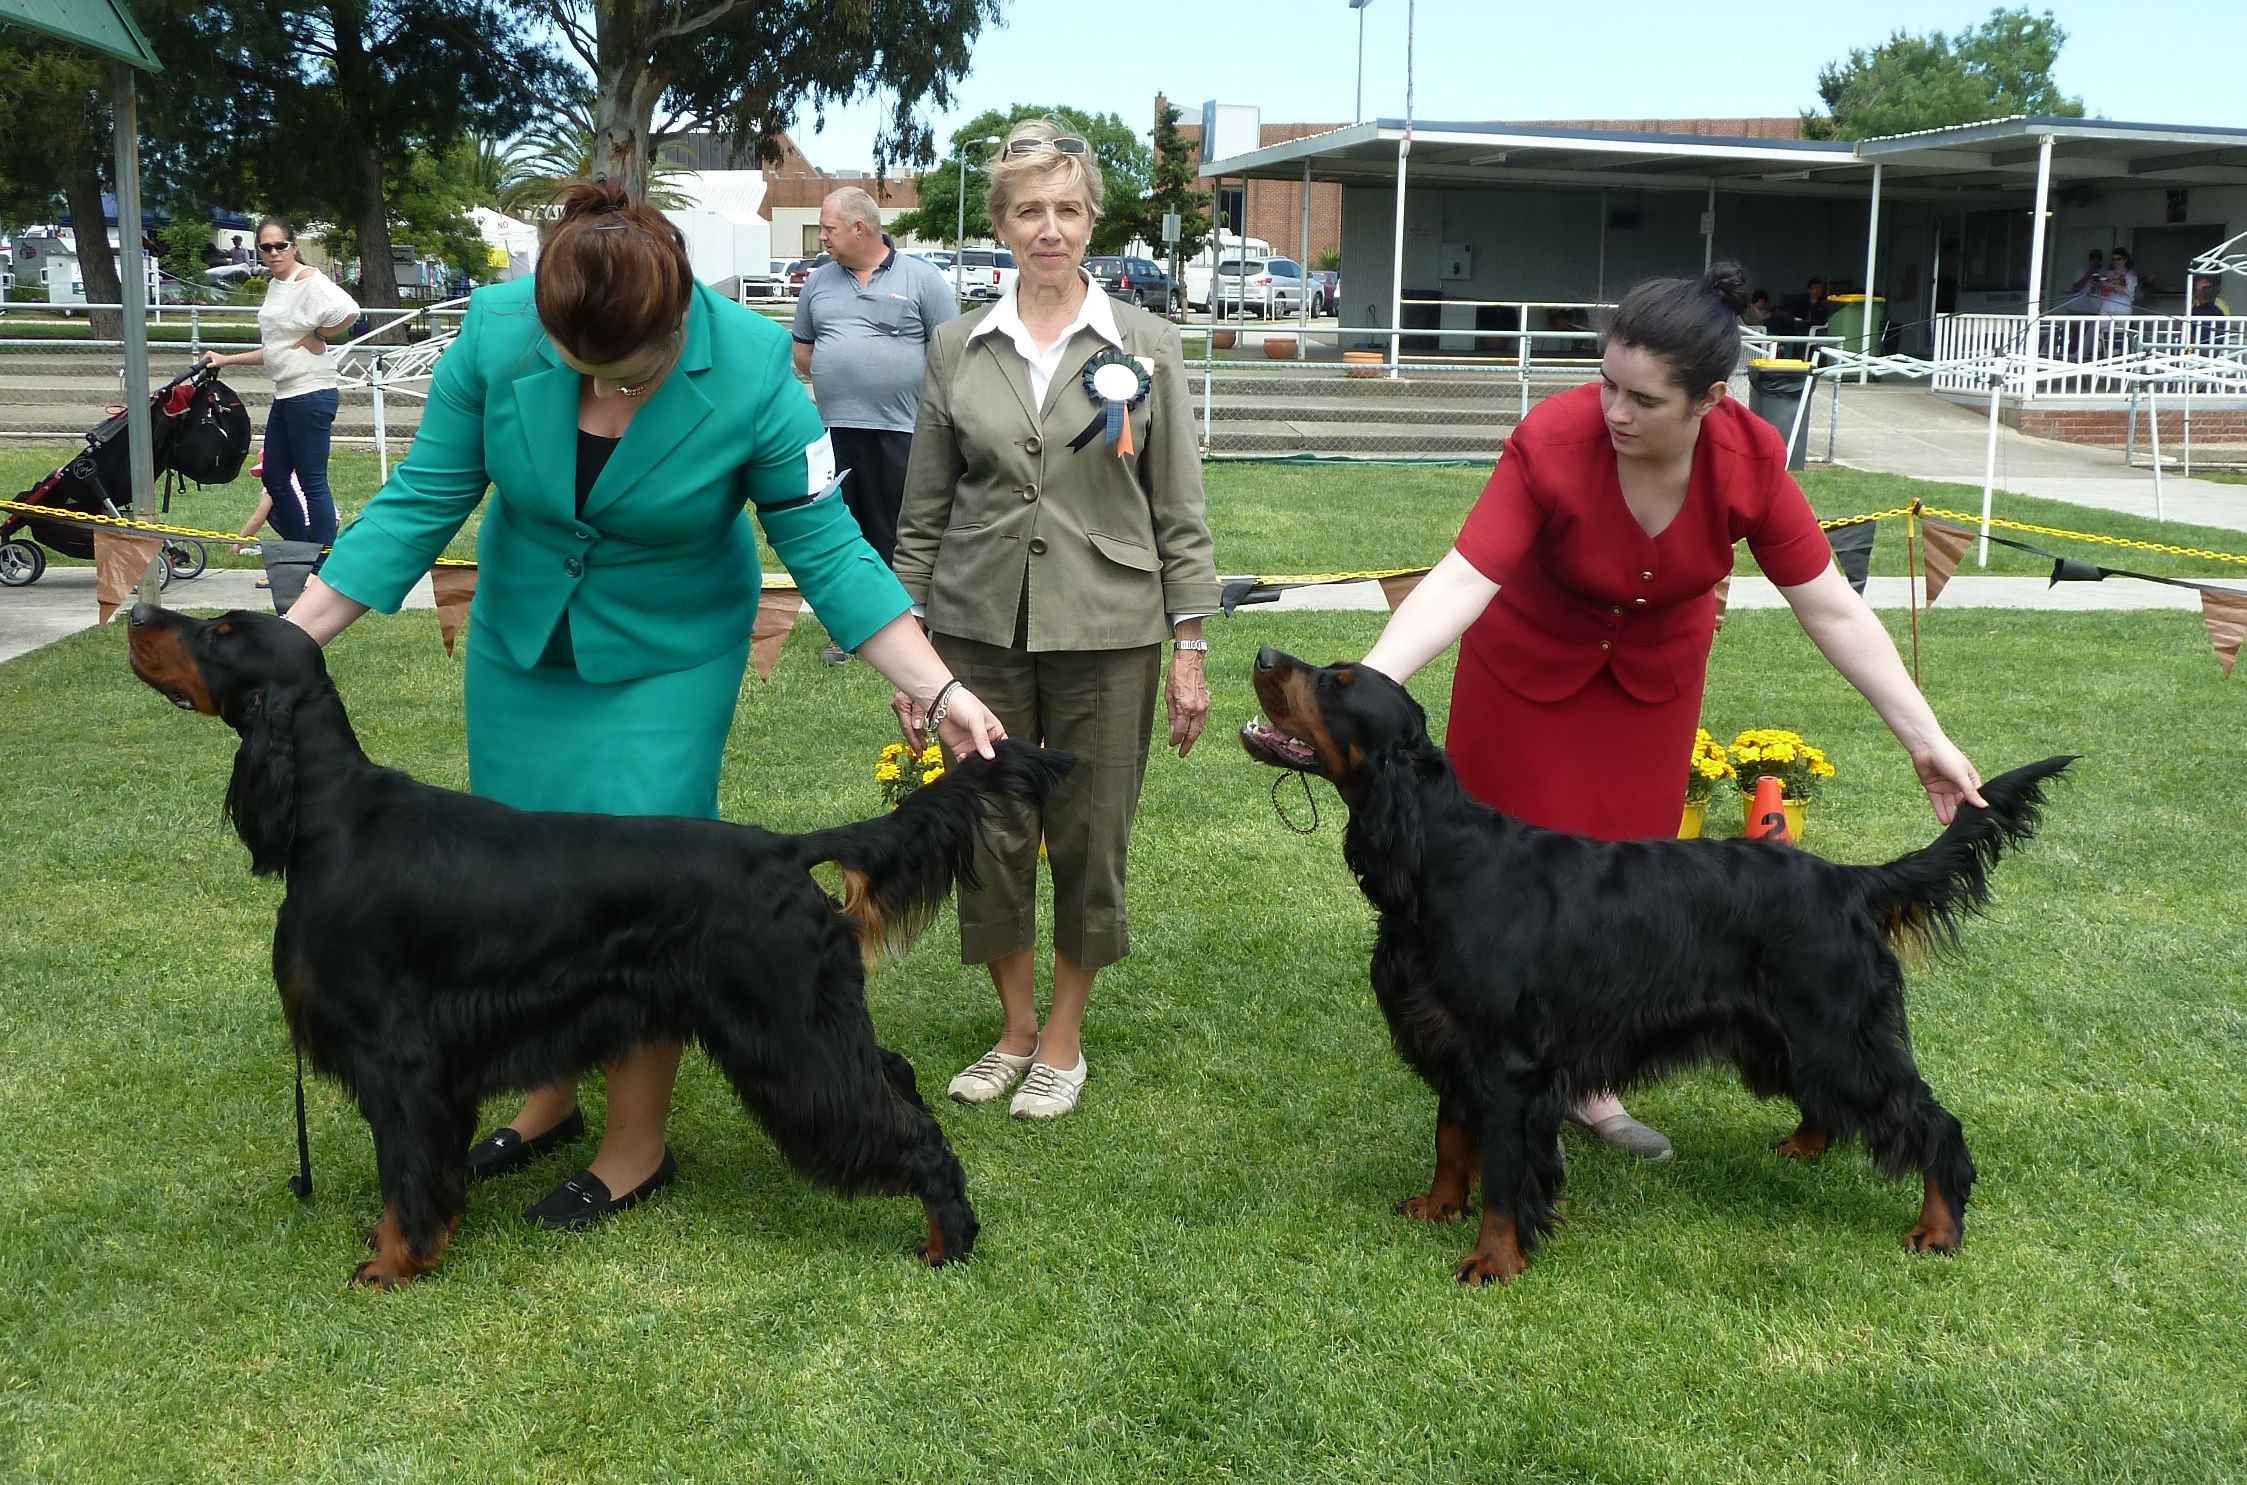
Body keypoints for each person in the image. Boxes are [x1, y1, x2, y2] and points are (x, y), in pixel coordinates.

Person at [280, 179, 1005, 1229]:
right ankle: (545, 1097)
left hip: (669, 658)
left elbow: (828, 546)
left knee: (650, 899)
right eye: (577, 368)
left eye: (625, 372)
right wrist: (294, 640)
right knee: (521, 887)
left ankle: (635, 1145)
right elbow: (421, 498)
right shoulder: (496, 329)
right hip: (523, 647)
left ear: (673, 322)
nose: (600, 389)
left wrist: (936, 687)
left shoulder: (753, 367)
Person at [1358, 261, 1986, 1163]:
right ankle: (1499, 1066)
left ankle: (1589, 1081)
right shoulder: (1551, 438)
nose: (1614, 411)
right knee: (1501, 889)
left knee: (1620, 901)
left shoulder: (1749, 458)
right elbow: (1463, 578)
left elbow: (1832, 607)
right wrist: (1367, 692)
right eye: (1606, 383)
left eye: (1643, 399)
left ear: (1710, 400)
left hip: (1648, 692)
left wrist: (1925, 740)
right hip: (1524, 680)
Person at [892, 117, 1222, 1122]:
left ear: (1091, 222)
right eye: (1029, 210)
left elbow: (1178, 507)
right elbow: (924, 511)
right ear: (999, 223)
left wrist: (1189, 645)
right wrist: (910, 657)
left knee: (1090, 834)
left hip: (1111, 630)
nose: (1050, 228)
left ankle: (1063, 1039)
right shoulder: (956, 346)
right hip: (975, 628)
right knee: (989, 829)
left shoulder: (1146, 345)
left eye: (1068, 210)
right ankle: (1014, 1029)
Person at [792, 186, 958, 663]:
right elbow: (803, 350)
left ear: (859, 228)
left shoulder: (922, 280)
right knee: (843, 532)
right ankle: (851, 632)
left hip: (906, 431)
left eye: (828, 229)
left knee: (905, 530)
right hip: (835, 432)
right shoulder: (818, 282)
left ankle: (914, 629)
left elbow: (951, 354)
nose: (822, 237)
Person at [197, 217, 359, 561]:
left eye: (280, 246)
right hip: (286, 393)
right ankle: (300, 554)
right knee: (274, 476)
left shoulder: (308, 279)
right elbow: (275, 349)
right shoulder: (276, 284)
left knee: (312, 481)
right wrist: (226, 359)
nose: (274, 252)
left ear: (293, 247)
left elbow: (349, 311)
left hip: (312, 392)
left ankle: (321, 564)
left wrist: (319, 334)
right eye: (266, 247)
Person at [2094, 247, 2138, 315]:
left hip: (2122, 309)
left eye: (2118, 259)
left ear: (2125, 260)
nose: (2115, 262)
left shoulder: (2130, 274)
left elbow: (2128, 290)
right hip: (2106, 308)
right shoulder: (2108, 274)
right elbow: (2101, 291)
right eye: (2113, 260)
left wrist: (2110, 285)